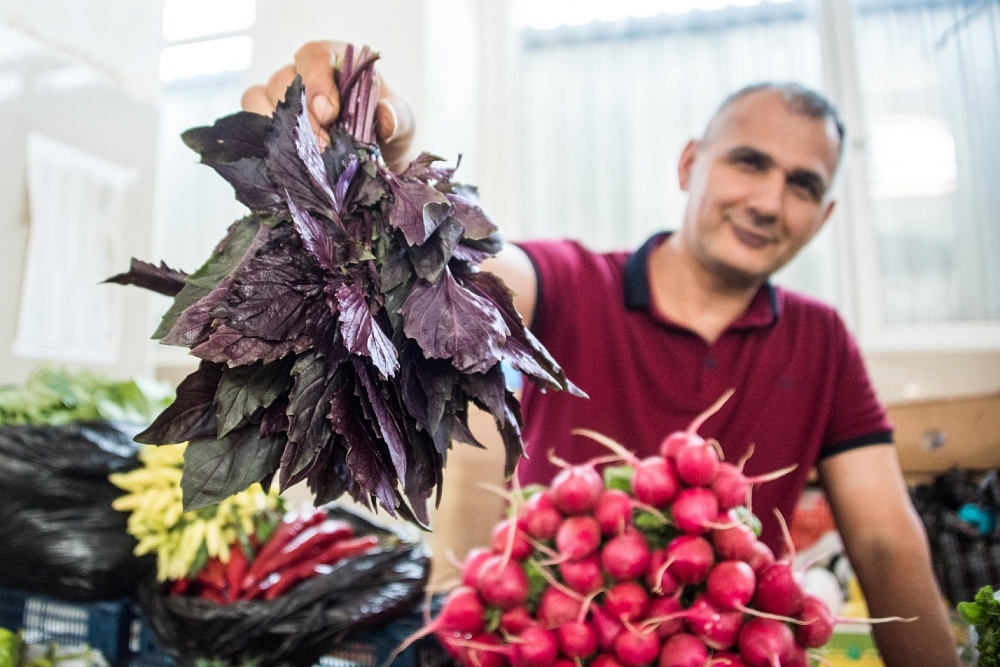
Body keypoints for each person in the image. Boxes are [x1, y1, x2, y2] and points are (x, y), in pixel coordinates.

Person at [242, 41, 961, 666]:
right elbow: (474, 278)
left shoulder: (823, 338)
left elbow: (888, 544)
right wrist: (387, 191)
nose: (770, 202)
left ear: (826, 214)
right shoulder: (569, 284)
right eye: (749, 162)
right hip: (547, 644)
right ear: (689, 164)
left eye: (803, 185)